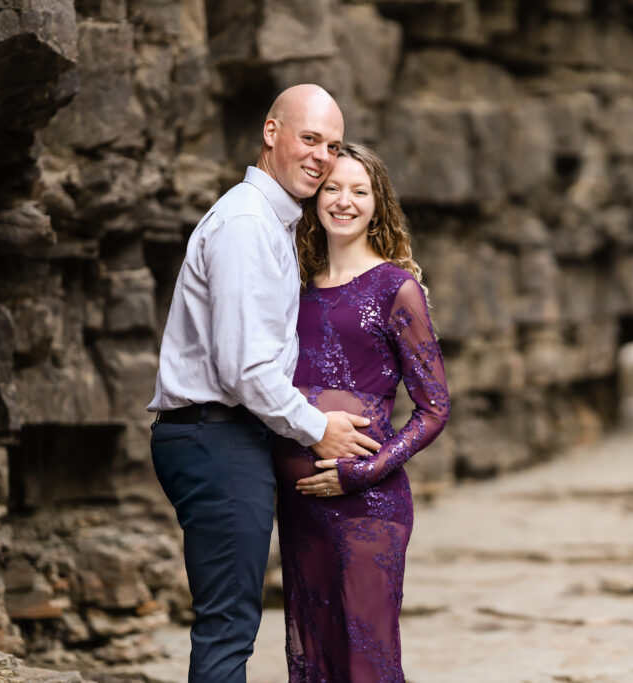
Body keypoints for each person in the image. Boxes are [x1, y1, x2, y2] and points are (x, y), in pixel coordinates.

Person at [147, 85, 382, 683]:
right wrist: (317, 428)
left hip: (227, 438)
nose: (322, 157)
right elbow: (243, 368)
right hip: (215, 437)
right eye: (309, 139)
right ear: (271, 132)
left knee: (232, 621)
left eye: (332, 145)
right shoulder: (247, 225)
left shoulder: (274, 224)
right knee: (228, 627)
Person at [272, 142, 450, 682]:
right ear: (315, 197)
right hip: (302, 507)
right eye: (332, 188)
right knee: (318, 655)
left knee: (367, 661)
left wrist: (362, 472)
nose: (343, 201)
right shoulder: (292, 285)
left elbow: (434, 408)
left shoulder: (397, 288)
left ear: (378, 204)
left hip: (369, 504)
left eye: (359, 190)